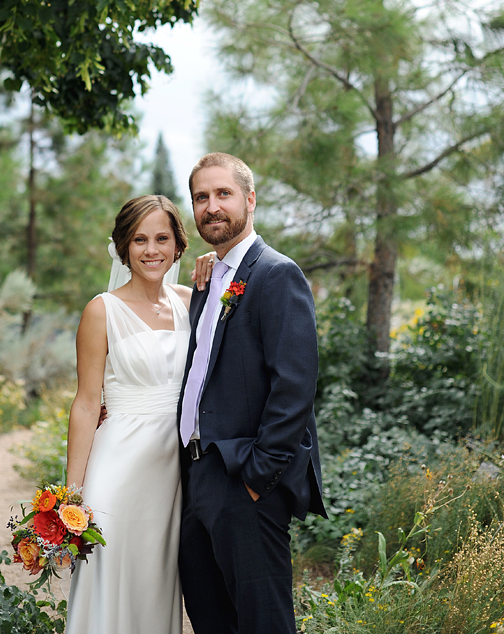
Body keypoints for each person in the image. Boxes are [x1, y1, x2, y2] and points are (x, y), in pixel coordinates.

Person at [178, 152, 327, 634]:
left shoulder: (276, 274)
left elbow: (295, 385)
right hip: (196, 477)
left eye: (223, 193)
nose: (212, 206)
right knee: (212, 618)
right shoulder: (209, 281)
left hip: (244, 481)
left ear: (250, 199)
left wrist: (259, 476)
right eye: (202, 197)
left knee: (264, 623)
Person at [64, 194, 193, 634]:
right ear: (123, 247)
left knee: (155, 586)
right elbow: (85, 402)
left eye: (162, 238)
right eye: (139, 239)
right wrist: (72, 495)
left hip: (173, 475)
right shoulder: (101, 310)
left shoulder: (190, 303)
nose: (151, 250)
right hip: (117, 471)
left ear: (179, 245)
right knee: (110, 579)